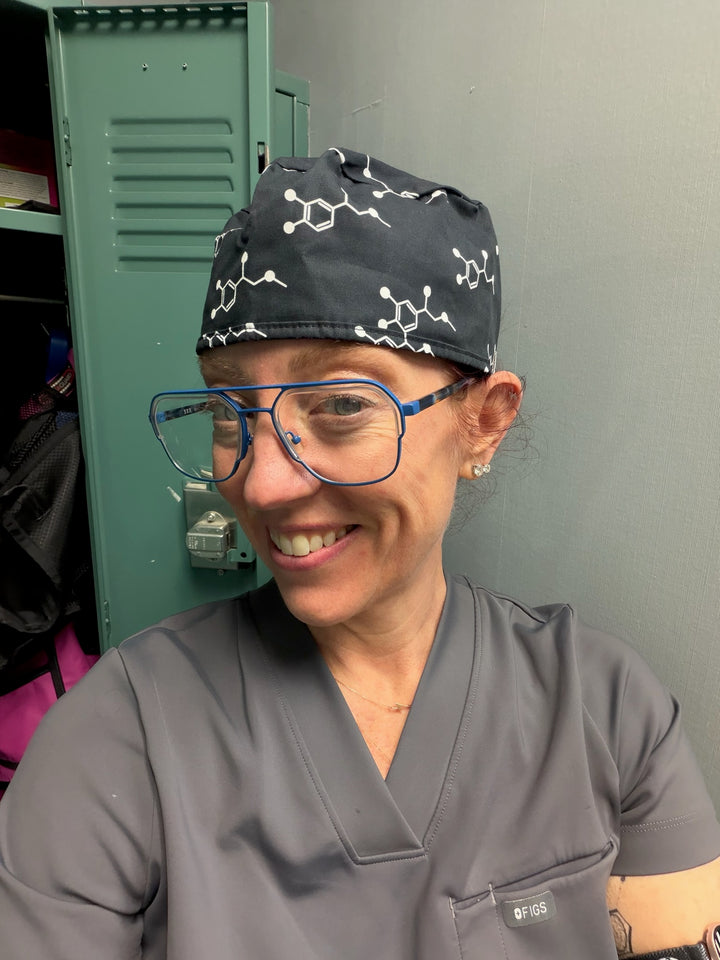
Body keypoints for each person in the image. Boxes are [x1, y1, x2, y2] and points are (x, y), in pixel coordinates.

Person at [1, 147, 719, 959]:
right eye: (230, 410)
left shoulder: (608, 714)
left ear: (483, 421)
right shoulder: (114, 742)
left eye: (343, 403)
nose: (263, 484)